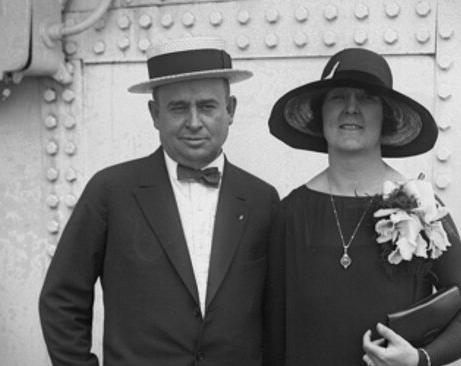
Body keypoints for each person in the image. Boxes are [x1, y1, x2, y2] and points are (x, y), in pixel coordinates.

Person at [39, 37, 280, 366]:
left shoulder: (262, 199)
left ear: (231, 110)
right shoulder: (110, 190)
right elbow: (62, 299)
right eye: (179, 108)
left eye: (207, 106)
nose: (194, 122)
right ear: (155, 113)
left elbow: (277, 312)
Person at [265, 48, 461, 366]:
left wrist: (420, 359)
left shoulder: (420, 206)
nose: (351, 109)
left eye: (367, 98)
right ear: (320, 114)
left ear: (386, 117)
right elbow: (272, 332)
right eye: (338, 97)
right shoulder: (289, 214)